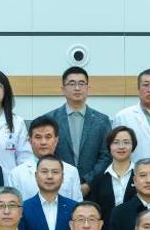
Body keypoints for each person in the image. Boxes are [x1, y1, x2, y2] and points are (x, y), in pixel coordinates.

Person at [41, 66, 112, 197]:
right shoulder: (49, 120)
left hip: (93, 190)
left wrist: (88, 183)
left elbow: (106, 155)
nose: (77, 88)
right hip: (57, 187)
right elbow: (44, 153)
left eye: (81, 83)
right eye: (71, 83)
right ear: (63, 89)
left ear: (88, 88)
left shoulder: (102, 120)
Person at [11, 118, 82, 202]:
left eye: (48, 137)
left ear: (56, 140)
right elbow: (13, 206)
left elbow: (78, 207)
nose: (43, 142)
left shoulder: (71, 172)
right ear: (30, 141)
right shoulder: (17, 174)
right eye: (38, 137)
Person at [20, 156, 77, 230]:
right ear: (36, 176)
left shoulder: (74, 208)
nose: (49, 176)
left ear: (63, 177)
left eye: (55, 172)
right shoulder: (23, 209)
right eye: (44, 172)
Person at [86, 125, 137, 215]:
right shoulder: (98, 179)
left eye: (126, 142)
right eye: (116, 142)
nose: (121, 147)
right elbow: (93, 211)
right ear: (109, 146)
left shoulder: (141, 175)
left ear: (133, 146)